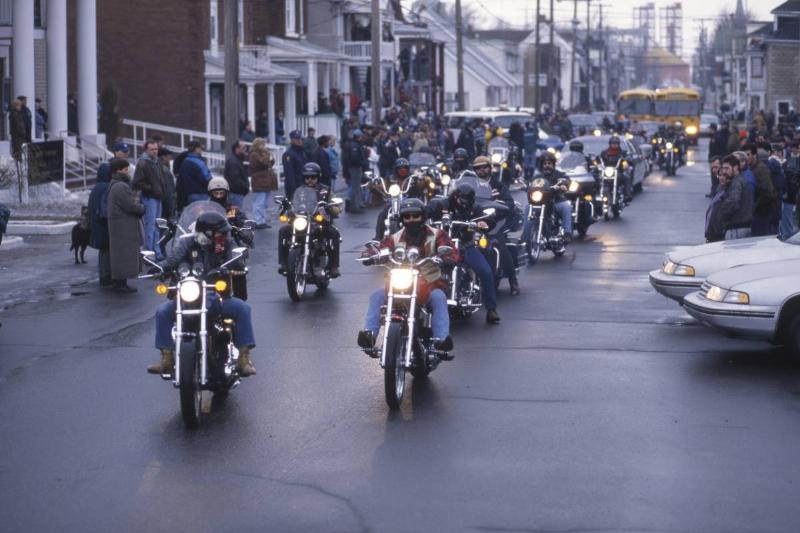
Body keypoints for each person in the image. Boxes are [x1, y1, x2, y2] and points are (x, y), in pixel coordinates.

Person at [148, 211, 256, 377]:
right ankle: (167, 359)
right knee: (162, 311)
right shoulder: (187, 242)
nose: (224, 234)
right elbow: (174, 259)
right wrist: (160, 267)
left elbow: (237, 258)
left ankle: (243, 359)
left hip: (218, 294)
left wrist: (233, 265)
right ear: (207, 232)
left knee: (243, 309)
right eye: (220, 231)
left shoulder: (227, 243)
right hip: (190, 293)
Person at [357, 198, 459, 353]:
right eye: (407, 217)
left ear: (423, 217)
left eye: (415, 216)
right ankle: (370, 335)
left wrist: (448, 257)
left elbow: (451, 250)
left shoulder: (437, 235)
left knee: (439, 298)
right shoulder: (394, 237)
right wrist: (371, 254)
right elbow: (381, 247)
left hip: (429, 283)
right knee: (376, 296)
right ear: (402, 219)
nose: (411, 220)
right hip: (400, 282)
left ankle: (441, 340)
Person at [427, 183, 502, 324]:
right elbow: (426, 211)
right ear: (455, 196)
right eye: (462, 201)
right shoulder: (443, 204)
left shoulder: (474, 208)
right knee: (419, 267)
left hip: (465, 246)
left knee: (485, 271)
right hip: (441, 246)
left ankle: (491, 309)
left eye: (467, 202)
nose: (464, 205)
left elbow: (488, 220)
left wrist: (484, 223)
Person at [277, 162, 341, 277]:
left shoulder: (325, 191)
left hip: (319, 222)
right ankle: (284, 264)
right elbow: (292, 203)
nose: (310, 179)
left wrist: (334, 207)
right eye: (307, 177)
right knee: (283, 230)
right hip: (302, 221)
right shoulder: (299, 191)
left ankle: (333, 267)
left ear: (318, 177)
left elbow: (334, 203)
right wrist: (286, 207)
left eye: (313, 177)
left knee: (334, 233)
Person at [472, 156, 520, 295]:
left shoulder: (499, 186)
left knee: (501, 246)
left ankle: (513, 280)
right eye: (478, 168)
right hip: (475, 221)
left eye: (484, 167)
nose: (482, 170)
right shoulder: (471, 186)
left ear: (490, 168)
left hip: (494, 222)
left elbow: (509, 204)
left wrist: (498, 205)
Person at [107, 159, 145, 293]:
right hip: (123, 227)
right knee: (123, 255)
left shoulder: (116, 185)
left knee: (121, 255)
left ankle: (120, 282)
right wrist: (142, 208)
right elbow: (131, 206)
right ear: (118, 170)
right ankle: (120, 283)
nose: (127, 172)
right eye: (125, 169)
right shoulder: (120, 186)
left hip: (120, 226)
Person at [132, 139, 166, 260]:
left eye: (156, 149)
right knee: (150, 226)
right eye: (151, 149)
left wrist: (161, 190)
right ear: (146, 150)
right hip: (149, 198)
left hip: (158, 197)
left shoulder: (157, 161)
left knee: (157, 226)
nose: (154, 152)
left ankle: (156, 251)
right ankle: (149, 254)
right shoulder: (143, 163)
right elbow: (136, 182)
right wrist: (151, 188)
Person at [88, 159, 113, 286]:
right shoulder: (106, 187)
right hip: (103, 223)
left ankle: (103, 274)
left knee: (103, 250)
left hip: (95, 222)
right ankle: (105, 276)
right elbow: (105, 208)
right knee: (106, 250)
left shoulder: (96, 187)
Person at [536, 152, 573, 236]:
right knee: (528, 207)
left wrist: (564, 184)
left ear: (553, 164)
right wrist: (526, 185)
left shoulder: (559, 174)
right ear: (542, 165)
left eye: (549, 163)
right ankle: (526, 235)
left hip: (556, 201)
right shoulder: (538, 176)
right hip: (540, 203)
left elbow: (566, 179)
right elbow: (531, 183)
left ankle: (567, 232)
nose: (547, 165)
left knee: (566, 206)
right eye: (545, 163)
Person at [743, 143, 777, 236]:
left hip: (762, 212)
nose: (746, 158)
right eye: (744, 155)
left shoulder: (760, 169)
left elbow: (768, 193)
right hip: (759, 211)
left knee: (760, 238)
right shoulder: (752, 168)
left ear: (754, 155)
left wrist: (754, 207)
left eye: (748, 155)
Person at [719, 154, 754, 240]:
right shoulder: (741, 180)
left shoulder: (736, 182)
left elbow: (733, 202)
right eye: (723, 168)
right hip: (742, 226)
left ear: (735, 168)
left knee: (732, 253)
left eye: (727, 168)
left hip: (735, 228)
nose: (724, 171)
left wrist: (722, 212)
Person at [249, 137, 278, 229]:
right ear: (257, 145)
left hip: (266, 182)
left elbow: (269, 164)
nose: (264, 146)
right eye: (262, 144)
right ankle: (258, 221)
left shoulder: (262, 154)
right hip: (259, 182)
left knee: (264, 203)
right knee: (259, 202)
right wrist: (267, 155)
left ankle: (262, 220)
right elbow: (263, 163)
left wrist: (271, 158)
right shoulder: (254, 154)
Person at [178, 140, 212, 205]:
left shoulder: (184, 162)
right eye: (200, 148)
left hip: (189, 195)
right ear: (196, 149)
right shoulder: (199, 162)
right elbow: (206, 178)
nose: (201, 150)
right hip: (201, 194)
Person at [600, 135, 632, 202]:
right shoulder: (604, 153)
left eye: (616, 143)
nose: (614, 145)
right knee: (597, 178)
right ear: (610, 144)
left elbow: (628, 159)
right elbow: (599, 159)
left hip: (618, 172)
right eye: (613, 143)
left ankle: (627, 195)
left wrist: (626, 161)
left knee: (627, 178)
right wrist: (595, 162)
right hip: (606, 172)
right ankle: (598, 195)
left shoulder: (622, 153)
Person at [342, 129, 367, 213]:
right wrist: (362, 163)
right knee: (354, 187)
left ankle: (356, 204)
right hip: (354, 168)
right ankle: (350, 203)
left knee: (356, 187)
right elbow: (354, 159)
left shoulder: (352, 144)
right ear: (358, 137)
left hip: (352, 168)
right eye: (361, 137)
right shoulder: (354, 146)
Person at [705, 161, 728, 243]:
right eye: (720, 175)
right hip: (712, 234)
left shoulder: (726, 192)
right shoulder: (719, 190)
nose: (721, 178)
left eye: (724, 175)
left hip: (718, 234)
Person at [282, 130, 307, 200]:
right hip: (295, 187)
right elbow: (290, 174)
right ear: (292, 140)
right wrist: (294, 191)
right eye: (297, 139)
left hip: (304, 186)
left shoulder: (302, 152)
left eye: (300, 138)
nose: (299, 140)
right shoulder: (289, 154)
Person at [224, 140, 250, 207]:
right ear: (237, 149)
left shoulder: (237, 160)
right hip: (235, 194)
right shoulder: (233, 161)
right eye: (243, 148)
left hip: (236, 194)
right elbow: (235, 180)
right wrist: (245, 188)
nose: (245, 150)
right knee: (234, 215)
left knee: (234, 215)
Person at [158, 147, 177, 221]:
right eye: (169, 157)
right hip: (164, 206)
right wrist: (171, 209)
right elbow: (169, 191)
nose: (170, 159)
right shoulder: (165, 171)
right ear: (163, 157)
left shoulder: (155, 168)